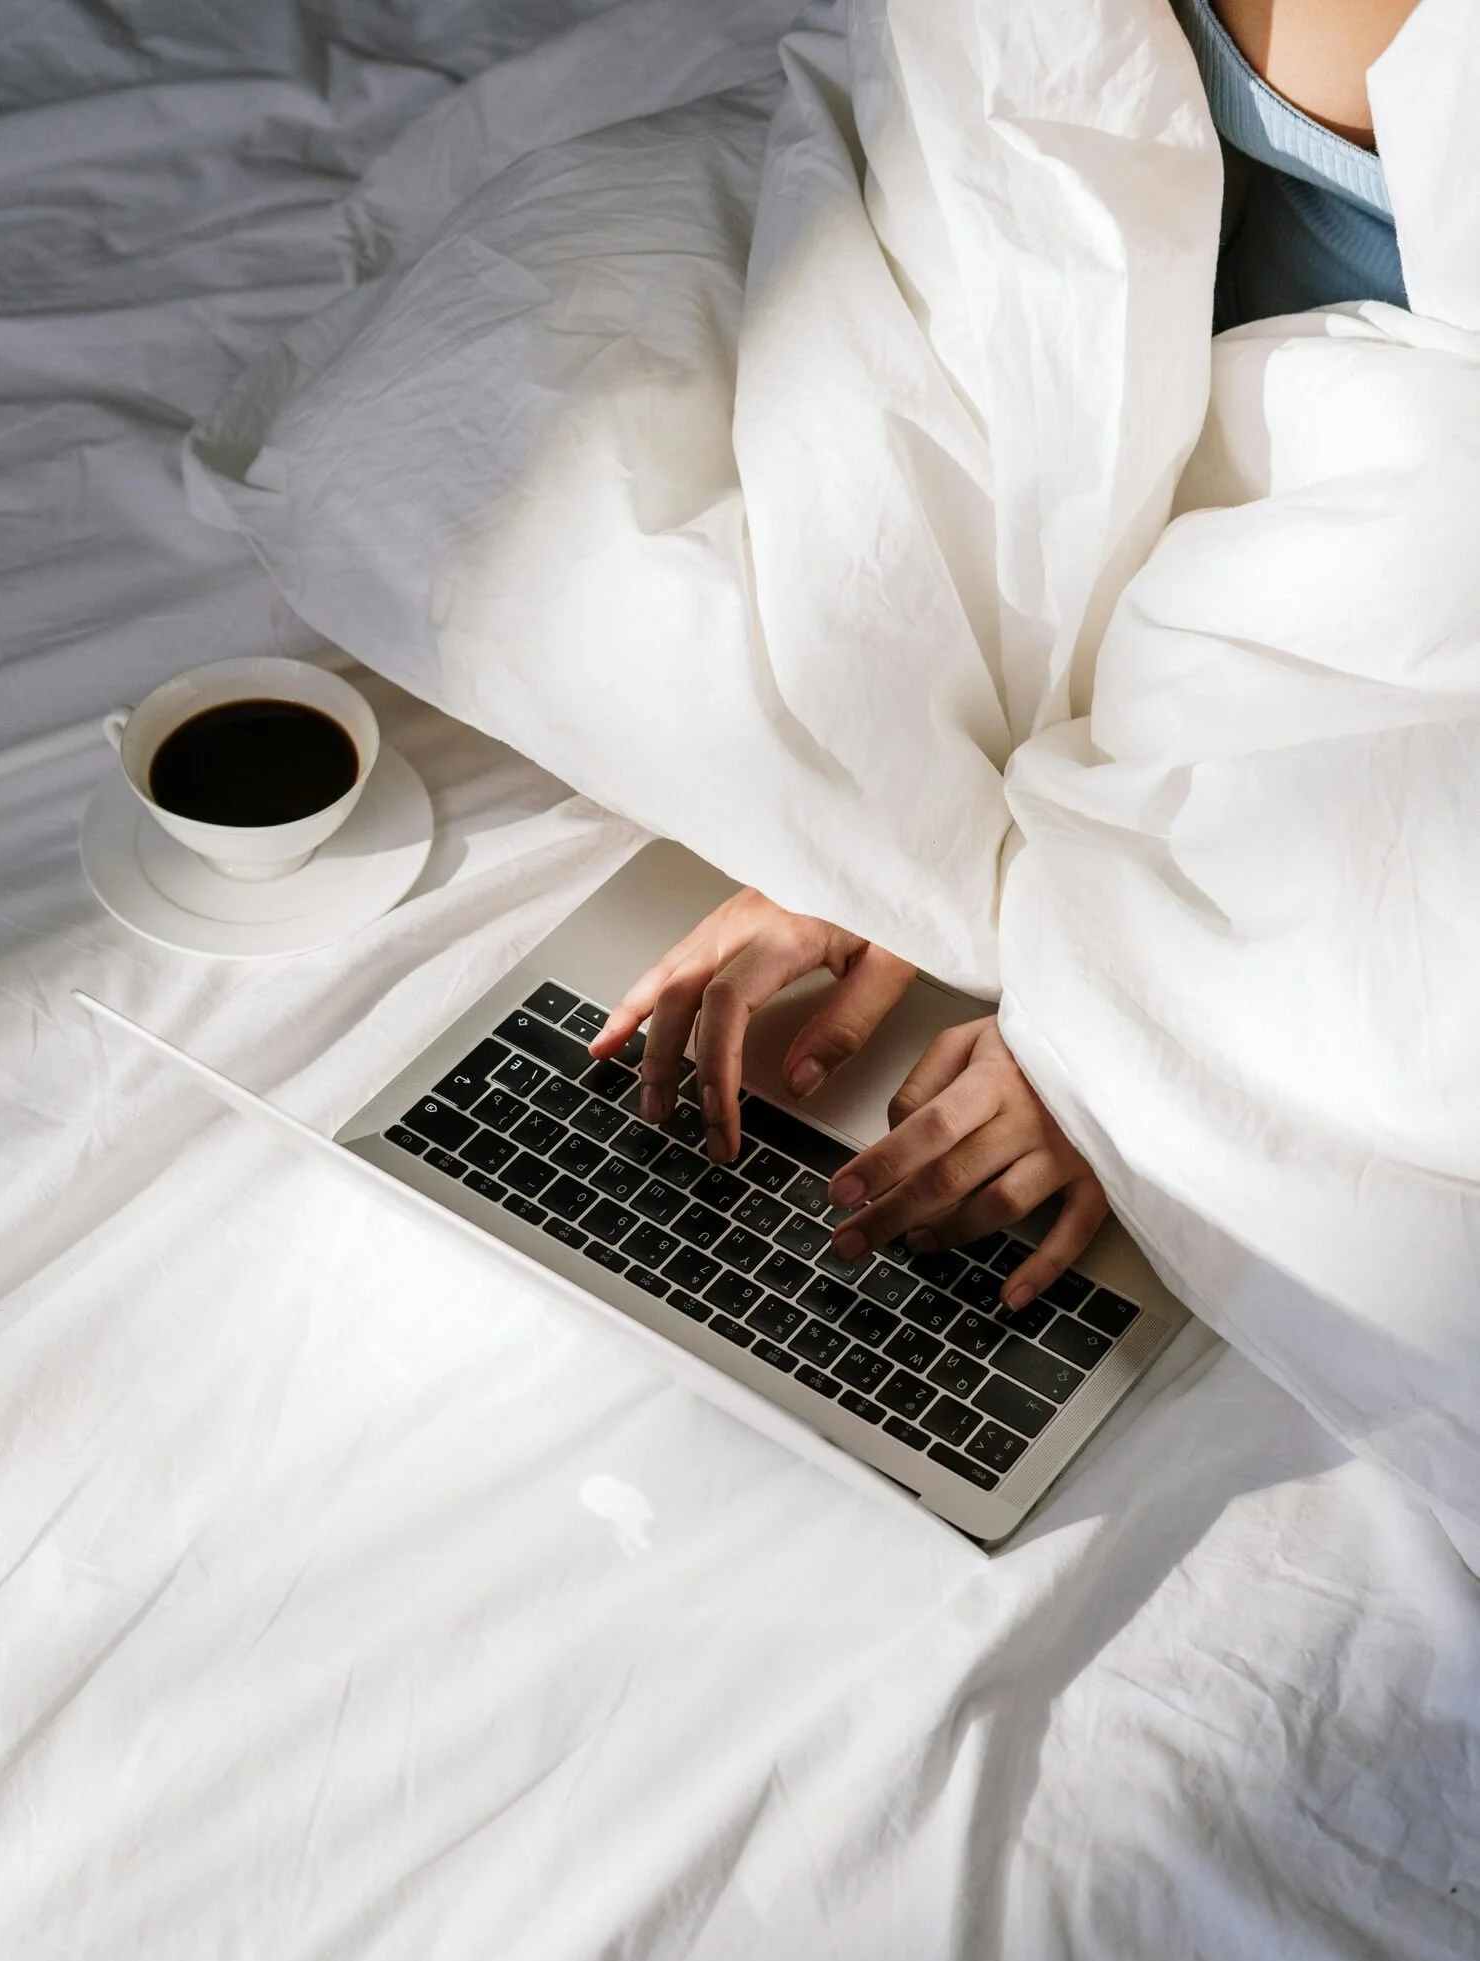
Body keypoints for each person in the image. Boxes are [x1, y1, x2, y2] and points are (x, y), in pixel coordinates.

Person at [590, 0, 1422, 1313]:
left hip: (1404, 527)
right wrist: (891, 789)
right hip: (1149, 398)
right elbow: (988, 212)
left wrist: (1136, 1018)